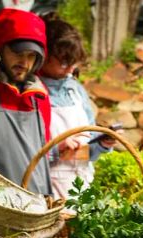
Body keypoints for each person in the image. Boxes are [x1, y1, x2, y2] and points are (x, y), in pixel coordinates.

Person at [0, 8, 53, 195]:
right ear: (0, 47)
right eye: (18, 53)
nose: (24, 62)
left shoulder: (40, 96)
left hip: (38, 202)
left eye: (31, 56)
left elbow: (46, 150)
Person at [39, 14, 114, 198]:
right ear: (44, 55)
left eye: (74, 63)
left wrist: (102, 143)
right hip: (46, 192)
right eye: (64, 63)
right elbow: (25, 160)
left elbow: (85, 153)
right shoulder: (33, 92)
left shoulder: (75, 90)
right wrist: (57, 150)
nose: (70, 69)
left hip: (81, 187)